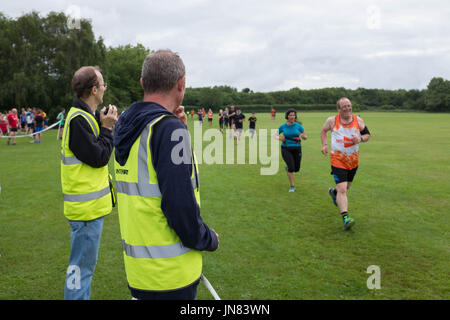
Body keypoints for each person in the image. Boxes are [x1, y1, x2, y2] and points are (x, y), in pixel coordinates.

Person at [113, 49, 219, 300]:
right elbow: (179, 206)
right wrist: (208, 238)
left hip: (141, 272)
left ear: (142, 83)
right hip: (171, 274)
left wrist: (174, 126)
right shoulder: (166, 129)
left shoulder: (128, 123)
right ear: (181, 84)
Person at [61, 65, 118, 299]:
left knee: (82, 269)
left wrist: (104, 123)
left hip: (88, 211)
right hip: (85, 212)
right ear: (94, 90)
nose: (105, 88)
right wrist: (106, 129)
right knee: (81, 271)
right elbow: (99, 157)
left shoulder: (84, 116)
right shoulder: (79, 120)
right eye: (102, 84)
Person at [320, 97, 371, 230]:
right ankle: (345, 217)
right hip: (337, 159)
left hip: (353, 160)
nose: (348, 108)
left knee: (346, 187)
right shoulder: (332, 121)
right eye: (344, 107)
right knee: (343, 189)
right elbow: (323, 131)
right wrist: (324, 145)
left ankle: (334, 193)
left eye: (349, 106)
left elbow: (367, 135)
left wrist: (359, 139)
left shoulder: (358, 120)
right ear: (339, 109)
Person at [276, 108, 307, 192]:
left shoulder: (298, 125)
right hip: (286, 148)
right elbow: (274, 134)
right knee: (291, 168)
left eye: (293, 115)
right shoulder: (283, 126)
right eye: (290, 115)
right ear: (287, 116)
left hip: (297, 148)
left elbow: (304, 134)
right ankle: (292, 186)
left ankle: (288, 168)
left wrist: (304, 137)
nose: (292, 116)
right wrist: (279, 138)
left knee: (296, 169)